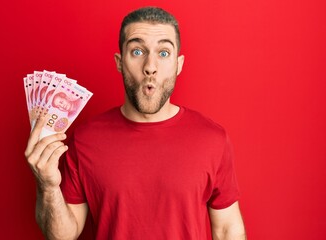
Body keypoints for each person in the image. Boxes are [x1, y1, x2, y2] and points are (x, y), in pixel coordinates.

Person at [25, 6, 246, 240]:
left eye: (163, 53)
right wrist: (47, 187)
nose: (150, 67)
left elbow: (227, 228)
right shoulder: (84, 140)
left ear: (178, 64)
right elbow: (62, 236)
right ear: (119, 62)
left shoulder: (212, 139)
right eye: (138, 51)